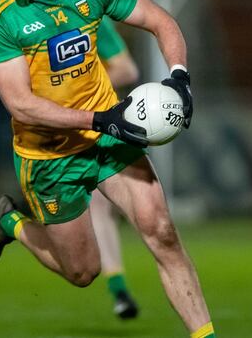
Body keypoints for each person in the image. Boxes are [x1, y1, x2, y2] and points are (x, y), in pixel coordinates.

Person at [0, 0, 215, 338]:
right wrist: (103, 119)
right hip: (48, 156)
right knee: (84, 272)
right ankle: (10, 221)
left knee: (161, 230)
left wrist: (180, 78)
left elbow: (161, 22)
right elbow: (22, 106)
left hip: (106, 137)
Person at [92, 17, 141, 319]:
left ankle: (118, 288)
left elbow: (126, 68)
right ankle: (12, 225)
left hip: (99, 123)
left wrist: (80, 89)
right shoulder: (25, 21)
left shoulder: (90, 17)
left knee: (100, 207)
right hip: (53, 130)